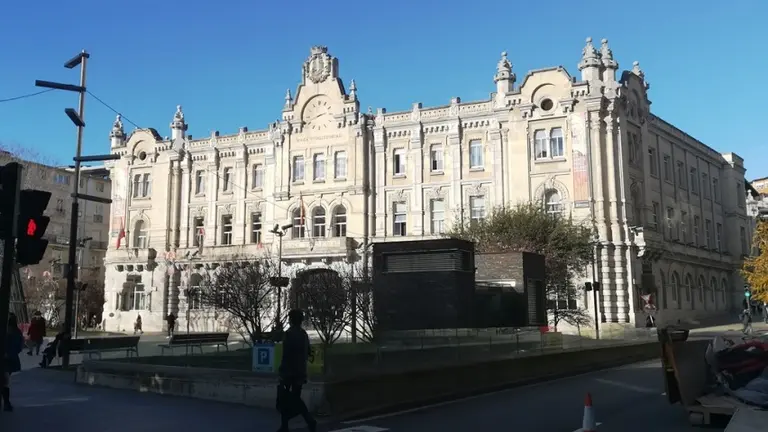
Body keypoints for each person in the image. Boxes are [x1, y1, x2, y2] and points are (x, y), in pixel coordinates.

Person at [277, 309, 317, 432]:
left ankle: (287, 425)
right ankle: (307, 421)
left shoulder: (289, 334)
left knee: (284, 398)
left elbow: (286, 355)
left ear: (291, 320)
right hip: (300, 371)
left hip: (289, 372)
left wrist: (282, 371)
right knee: (295, 398)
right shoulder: (303, 334)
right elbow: (308, 351)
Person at [3, 313, 24, 411]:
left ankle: (6, 402)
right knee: (5, 380)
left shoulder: (7, 331)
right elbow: (20, 346)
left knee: (4, 380)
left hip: (6, 359)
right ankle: (6, 403)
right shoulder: (17, 332)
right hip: (11, 359)